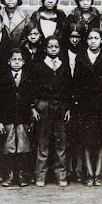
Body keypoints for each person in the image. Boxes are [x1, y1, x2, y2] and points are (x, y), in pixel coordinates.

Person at [74, 29, 102, 186]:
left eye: (96, 38)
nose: (93, 41)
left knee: (100, 141)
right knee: (87, 141)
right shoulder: (81, 57)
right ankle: (89, 173)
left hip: (101, 105)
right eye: (90, 38)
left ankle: (99, 173)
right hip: (85, 105)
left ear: (101, 40)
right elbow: (76, 82)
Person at [30, 36, 72, 187]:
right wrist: (34, 107)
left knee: (61, 142)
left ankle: (61, 175)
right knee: (43, 142)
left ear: (60, 48)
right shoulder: (40, 65)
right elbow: (33, 87)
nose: (53, 49)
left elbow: (68, 89)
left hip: (60, 107)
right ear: (45, 49)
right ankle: (40, 175)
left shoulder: (64, 66)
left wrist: (67, 108)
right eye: (50, 47)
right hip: (43, 106)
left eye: (56, 47)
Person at [0, 49, 33, 187]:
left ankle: (22, 174)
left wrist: (30, 118)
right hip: (8, 118)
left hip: (23, 118)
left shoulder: (28, 77)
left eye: (19, 60)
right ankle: (9, 174)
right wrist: (0, 120)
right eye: (14, 60)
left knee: (23, 146)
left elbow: (31, 99)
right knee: (9, 146)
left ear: (23, 62)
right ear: (8, 61)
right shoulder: (4, 78)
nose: (16, 63)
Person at [60, 23, 86, 183]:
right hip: (66, 95)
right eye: (72, 37)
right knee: (67, 135)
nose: (74, 40)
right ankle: (68, 168)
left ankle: (79, 168)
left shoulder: (83, 53)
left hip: (80, 96)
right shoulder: (63, 53)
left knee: (80, 135)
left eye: (77, 37)